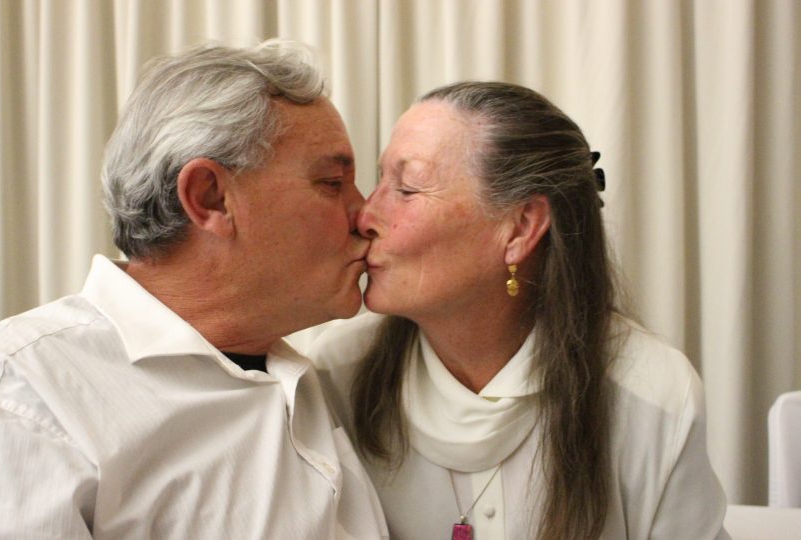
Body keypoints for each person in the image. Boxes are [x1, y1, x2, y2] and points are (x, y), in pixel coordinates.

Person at [0, 41, 387, 539]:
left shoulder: (324, 381)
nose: (367, 214)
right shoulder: (26, 394)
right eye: (332, 182)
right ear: (210, 197)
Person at [309, 81, 729, 540]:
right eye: (382, 180)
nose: (366, 215)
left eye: (407, 189)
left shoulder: (651, 395)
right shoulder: (338, 375)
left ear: (520, 227)